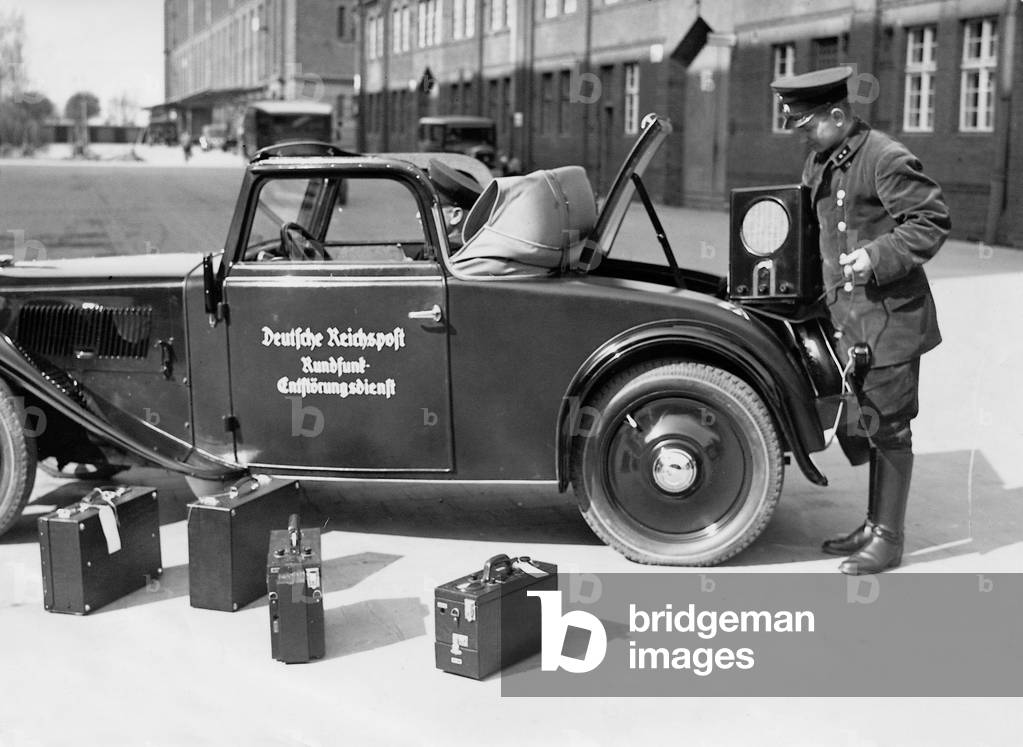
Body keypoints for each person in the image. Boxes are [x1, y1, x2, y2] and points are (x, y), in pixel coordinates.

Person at [770, 66, 951, 575]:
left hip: (891, 321)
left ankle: (888, 539)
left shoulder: (886, 158)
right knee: (865, 424)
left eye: (805, 125)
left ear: (836, 114)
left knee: (891, 428)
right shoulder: (822, 158)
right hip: (848, 318)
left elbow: (931, 222)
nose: (800, 135)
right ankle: (872, 526)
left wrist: (877, 254)